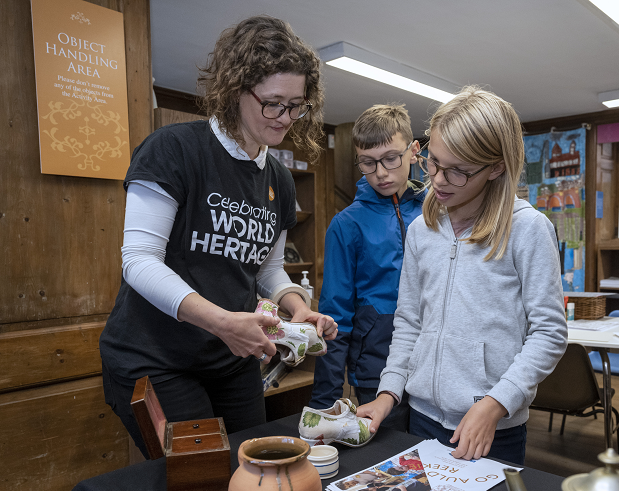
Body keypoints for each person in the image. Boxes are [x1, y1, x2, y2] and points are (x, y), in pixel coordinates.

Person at [99, 15, 337, 458]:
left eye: (296, 105)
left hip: (230, 357)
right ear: (235, 90)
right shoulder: (173, 149)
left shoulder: (279, 180)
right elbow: (139, 260)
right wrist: (222, 322)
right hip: (156, 357)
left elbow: (265, 268)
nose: (285, 117)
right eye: (272, 103)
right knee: (203, 478)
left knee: (257, 465)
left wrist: (298, 308)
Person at [357, 86, 567, 465]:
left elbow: (549, 332)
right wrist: (388, 393)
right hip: (419, 417)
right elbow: (409, 322)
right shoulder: (421, 229)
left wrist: (496, 403)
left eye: (459, 171)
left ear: (496, 167)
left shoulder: (529, 230)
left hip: (489, 425)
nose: (438, 180)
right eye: (433, 162)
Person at [309, 104, 425, 432]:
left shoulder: (437, 214)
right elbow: (335, 316)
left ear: (413, 152)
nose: (381, 173)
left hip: (435, 368)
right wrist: (324, 403)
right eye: (368, 162)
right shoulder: (347, 224)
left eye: (391, 158)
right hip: (375, 369)